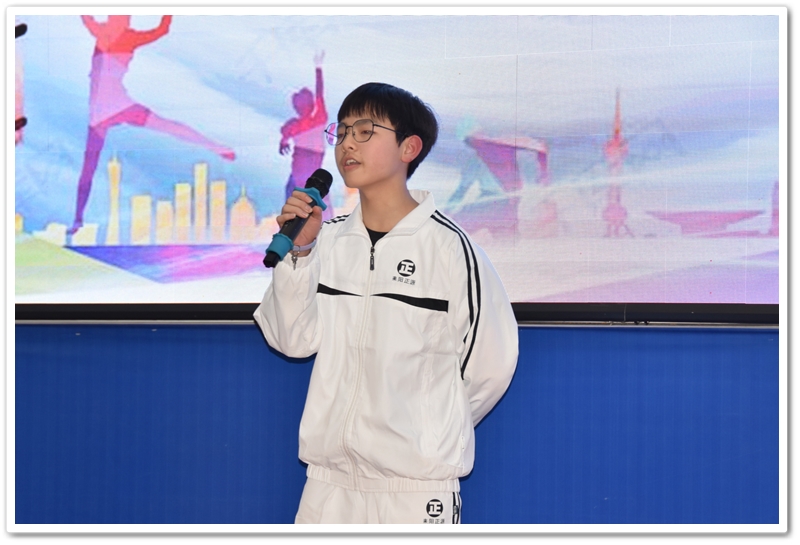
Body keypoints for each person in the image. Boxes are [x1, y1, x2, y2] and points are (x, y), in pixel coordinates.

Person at [254, 82, 518, 524]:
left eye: (364, 131)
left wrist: (430, 430)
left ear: (409, 148)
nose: (347, 144)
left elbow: (492, 364)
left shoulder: (449, 249)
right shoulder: (325, 240)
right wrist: (299, 254)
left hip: (414, 490)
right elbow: (291, 341)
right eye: (341, 132)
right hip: (327, 485)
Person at [70, 15, 235, 234]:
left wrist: (167, 14)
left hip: (116, 105)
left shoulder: (121, 35)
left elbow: (160, 31)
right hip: (101, 114)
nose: (121, 22)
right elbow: (87, 16)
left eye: (123, 19)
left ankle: (217, 147)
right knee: (88, 167)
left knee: (167, 126)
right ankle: (78, 219)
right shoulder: (108, 32)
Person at [278, 51, 333, 221]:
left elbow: (285, 135)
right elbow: (320, 93)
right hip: (307, 170)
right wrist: (318, 68)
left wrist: (283, 141)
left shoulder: (297, 124)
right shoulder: (315, 119)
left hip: (304, 170)